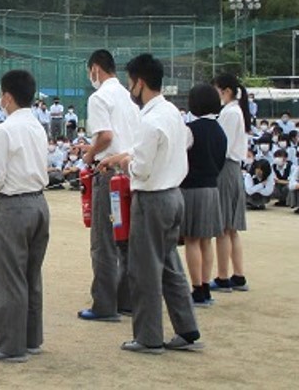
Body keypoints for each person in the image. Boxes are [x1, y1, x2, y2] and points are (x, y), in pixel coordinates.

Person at [101, 53, 202, 354]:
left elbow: (141, 168)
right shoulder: (171, 112)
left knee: (144, 269)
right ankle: (187, 329)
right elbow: (182, 143)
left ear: (139, 83)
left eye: (131, 83)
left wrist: (125, 163)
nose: (131, 89)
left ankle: (148, 337)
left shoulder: (149, 119)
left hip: (152, 199)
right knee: (170, 265)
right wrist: (125, 157)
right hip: (174, 196)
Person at [0, 69, 50, 363]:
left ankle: (10, 346)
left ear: (7, 97)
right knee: (31, 275)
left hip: (13, 206)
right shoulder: (37, 126)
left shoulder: (5, 130)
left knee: (9, 277)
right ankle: (31, 339)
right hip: (39, 204)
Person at [78, 49, 140, 322]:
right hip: (129, 171)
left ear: (96, 69)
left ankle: (104, 304)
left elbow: (105, 136)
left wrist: (90, 155)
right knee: (124, 238)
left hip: (108, 172)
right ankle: (125, 299)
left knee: (103, 241)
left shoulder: (99, 96)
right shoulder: (128, 97)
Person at [179, 84, 226, 308]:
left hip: (192, 189)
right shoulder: (219, 130)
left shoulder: (191, 129)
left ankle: (196, 288)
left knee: (191, 240)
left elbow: (181, 158)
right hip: (212, 188)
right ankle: (205, 287)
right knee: (207, 240)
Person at [211, 73, 250, 293]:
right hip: (233, 169)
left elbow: (221, 146)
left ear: (225, 91)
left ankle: (224, 277)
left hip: (226, 168)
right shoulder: (235, 111)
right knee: (231, 229)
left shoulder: (229, 113)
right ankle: (238, 275)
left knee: (224, 228)